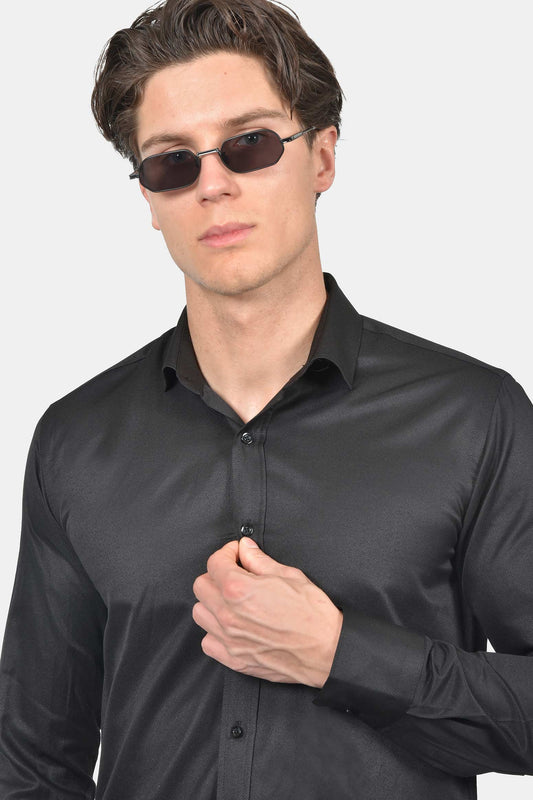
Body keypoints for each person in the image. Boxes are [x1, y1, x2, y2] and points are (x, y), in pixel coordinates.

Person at [1, 0, 532, 797]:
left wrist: (341, 656)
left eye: (248, 144)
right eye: (172, 162)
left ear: (321, 157)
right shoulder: (75, 441)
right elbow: (32, 763)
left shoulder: (473, 418)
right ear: (148, 198)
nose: (212, 185)